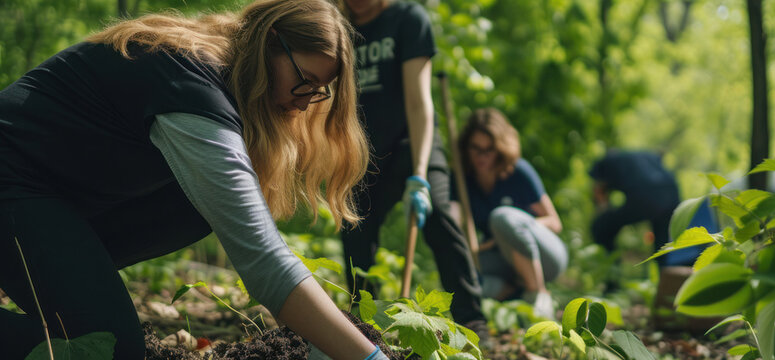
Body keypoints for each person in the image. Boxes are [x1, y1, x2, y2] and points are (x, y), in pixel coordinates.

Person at [0, 0, 390, 358]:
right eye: (303, 79)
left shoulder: (216, 88)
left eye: (318, 91)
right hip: (13, 181)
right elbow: (263, 259)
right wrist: (368, 357)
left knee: (196, 207)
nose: (304, 101)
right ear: (271, 42)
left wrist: (326, 342)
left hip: (50, 199)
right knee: (115, 351)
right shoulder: (192, 87)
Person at [338, 0, 486, 329]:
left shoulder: (407, 18)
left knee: (440, 218)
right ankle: (365, 329)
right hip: (362, 152)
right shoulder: (337, 26)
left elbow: (419, 103)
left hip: (413, 142)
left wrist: (420, 174)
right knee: (354, 233)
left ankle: (474, 324)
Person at [452, 108, 568, 319]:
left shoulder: (518, 172)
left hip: (546, 256)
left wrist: (511, 230)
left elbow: (554, 222)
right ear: (466, 148)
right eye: (475, 149)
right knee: (459, 274)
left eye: (489, 150)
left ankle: (538, 296)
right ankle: (515, 295)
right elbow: (454, 220)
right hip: (503, 261)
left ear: (500, 148)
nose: (482, 156)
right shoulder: (462, 180)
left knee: (502, 217)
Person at [589, 150, 680, 271]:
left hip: (646, 195)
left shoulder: (605, 163)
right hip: (671, 196)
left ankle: (611, 277)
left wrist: (603, 212)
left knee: (600, 227)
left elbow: (599, 191)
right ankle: (665, 283)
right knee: (663, 246)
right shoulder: (642, 157)